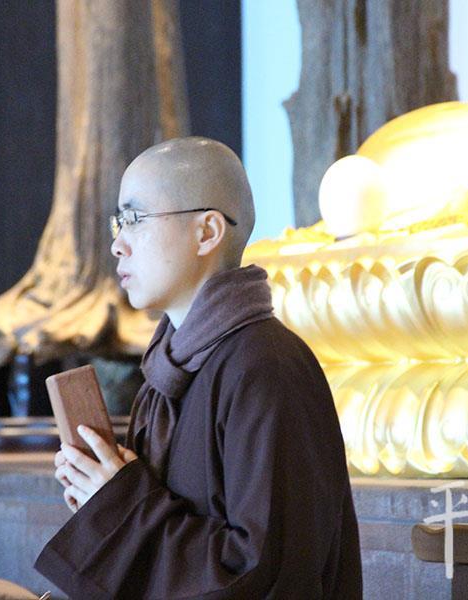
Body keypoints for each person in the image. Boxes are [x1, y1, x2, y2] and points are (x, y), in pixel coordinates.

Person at [35, 137, 362, 599]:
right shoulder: (165, 370)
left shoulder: (265, 367)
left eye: (134, 220)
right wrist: (101, 503)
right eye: (117, 223)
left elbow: (264, 573)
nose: (117, 245)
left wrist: (121, 507)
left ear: (207, 232)